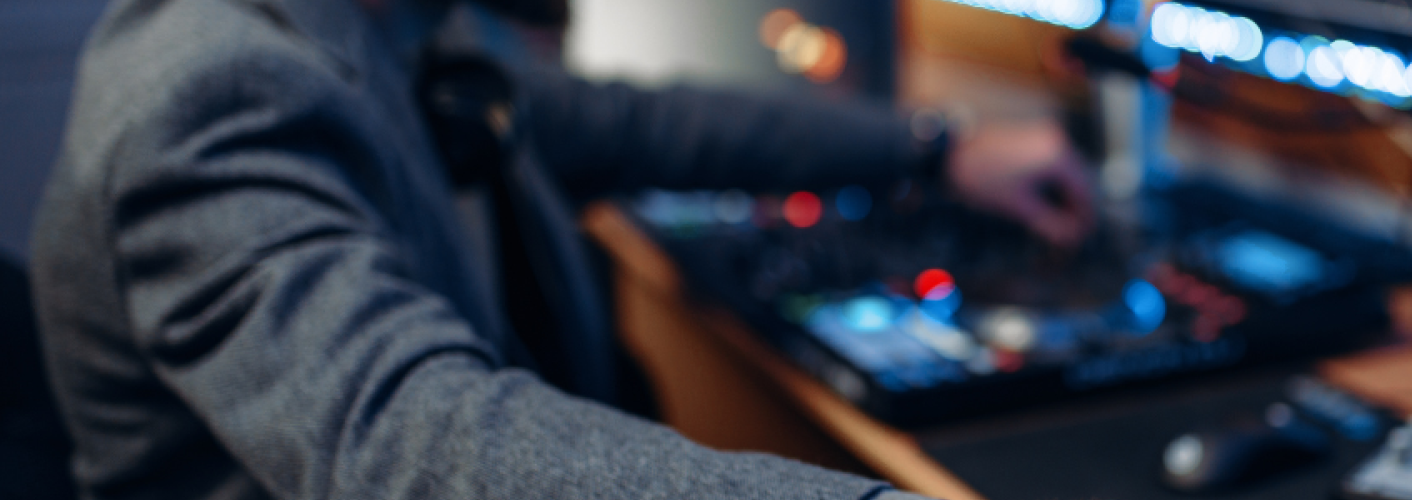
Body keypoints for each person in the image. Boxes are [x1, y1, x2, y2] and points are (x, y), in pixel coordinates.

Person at [29, 0, 1095, 498]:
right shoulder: (208, 86)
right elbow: (403, 433)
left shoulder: (394, 28)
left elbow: (651, 125)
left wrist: (939, 145)